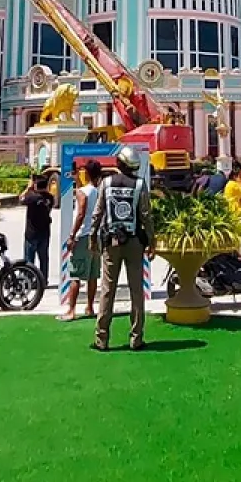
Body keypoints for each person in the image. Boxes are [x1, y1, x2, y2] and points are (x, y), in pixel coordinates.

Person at [90, 145, 153, 352]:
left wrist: (92, 237)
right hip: (134, 242)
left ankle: (102, 338)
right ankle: (136, 338)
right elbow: (146, 216)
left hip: (111, 243)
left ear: (120, 163)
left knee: (107, 290)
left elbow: (97, 214)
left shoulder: (106, 183)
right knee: (136, 291)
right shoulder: (140, 185)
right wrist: (152, 241)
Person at [60, 161, 102, 321]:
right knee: (92, 275)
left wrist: (72, 235)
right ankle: (90, 307)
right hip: (96, 236)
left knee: (75, 274)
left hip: (83, 236)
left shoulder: (82, 193)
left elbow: (81, 212)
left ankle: (71, 310)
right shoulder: (99, 192)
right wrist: (77, 181)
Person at [22, 171, 55, 281]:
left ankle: (28, 279)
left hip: (31, 234)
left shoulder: (32, 197)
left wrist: (28, 188)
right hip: (45, 232)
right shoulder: (50, 198)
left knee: (29, 259)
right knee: (44, 258)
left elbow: (21, 198)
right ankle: (43, 279)